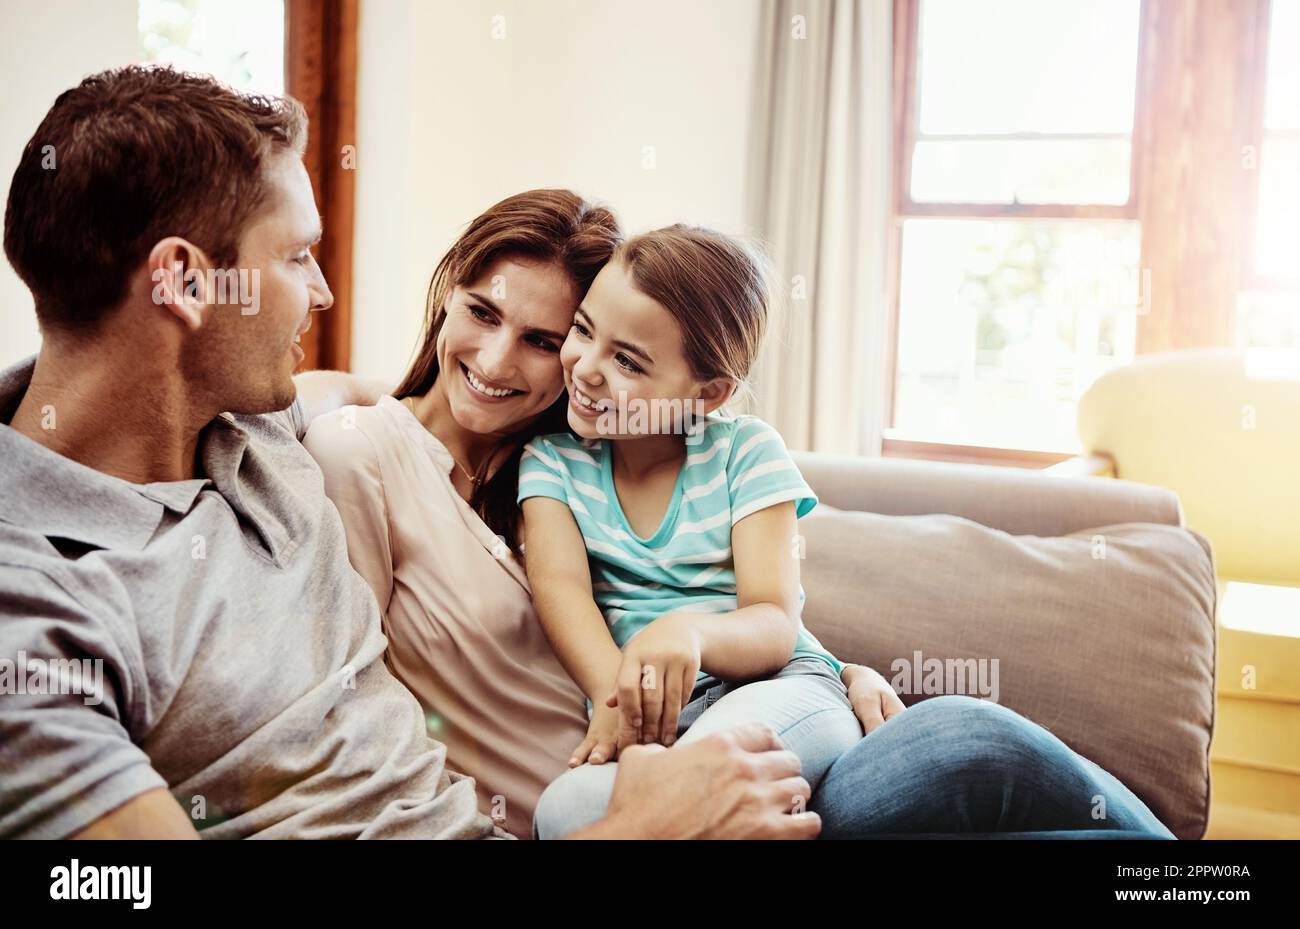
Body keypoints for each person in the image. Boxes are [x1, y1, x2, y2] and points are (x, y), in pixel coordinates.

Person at [0, 65, 818, 840]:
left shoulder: (250, 434)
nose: (320, 291)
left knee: (939, 747)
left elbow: (375, 402)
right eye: (296, 256)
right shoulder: (34, 613)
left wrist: (815, 679)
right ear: (182, 281)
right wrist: (639, 830)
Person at [517, 226, 863, 838]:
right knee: (564, 810)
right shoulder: (551, 463)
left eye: (627, 360)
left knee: (711, 767)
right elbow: (561, 588)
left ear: (707, 394)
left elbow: (775, 622)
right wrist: (612, 699)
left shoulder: (745, 453)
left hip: (778, 688)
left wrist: (688, 631)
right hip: (650, 717)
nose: (587, 369)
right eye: (583, 330)